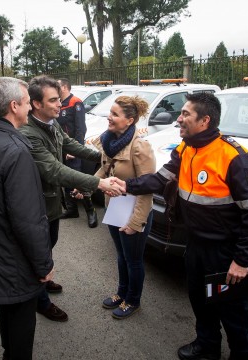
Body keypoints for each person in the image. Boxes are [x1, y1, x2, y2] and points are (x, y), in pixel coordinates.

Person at [113, 93, 248, 359]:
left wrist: (242, 260)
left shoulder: (234, 157)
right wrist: (126, 186)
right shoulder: (185, 148)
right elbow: (160, 180)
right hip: (195, 244)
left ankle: (241, 353)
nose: (179, 118)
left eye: (185, 114)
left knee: (232, 311)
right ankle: (207, 345)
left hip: (225, 251)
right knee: (200, 300)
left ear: (204, 120)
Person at [19, 75, 122, 322]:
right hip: (37, 205)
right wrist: (98, 182)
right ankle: (40, 300)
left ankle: (43, 280)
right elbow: (54, 169)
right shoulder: (28, 132)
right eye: (53, 100)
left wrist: (103, 156)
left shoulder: (51, 123)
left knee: (48, 246)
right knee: (39, 251)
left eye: (59, 99)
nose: (59, 105)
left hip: (52, 203)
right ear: (36, 104)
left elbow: (69, 144)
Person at [0, 77, 54, 360]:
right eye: (28, 103)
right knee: (20, 327)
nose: (30, 108)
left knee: (7, 309)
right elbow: (27, 220)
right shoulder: (16, 152)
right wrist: (43, 265)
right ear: (14, 106)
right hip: (12, 258)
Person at [93, 95, 156, 319]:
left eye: (115, 114)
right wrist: (88, 185)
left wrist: (135, 222)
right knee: (121, 255)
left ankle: (133, 300)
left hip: (133, 212)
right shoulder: (110, 141)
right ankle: (121, 294)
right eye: (110, 112)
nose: (109, 117)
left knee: (133, 260)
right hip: (115, 208)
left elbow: (147, 190)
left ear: (129, 120)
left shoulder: (139, 147)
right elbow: (105, 171)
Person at [57, 78, 98, 228]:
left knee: (78, 180)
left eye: (58, 85)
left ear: (65, 87)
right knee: (65, 179)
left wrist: (76, 150)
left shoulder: (76, 102)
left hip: (73, 149)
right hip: (61, 148)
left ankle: (91, 212)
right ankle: (72, 210)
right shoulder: (59, 103)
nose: (56, 87)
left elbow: (81, 129)